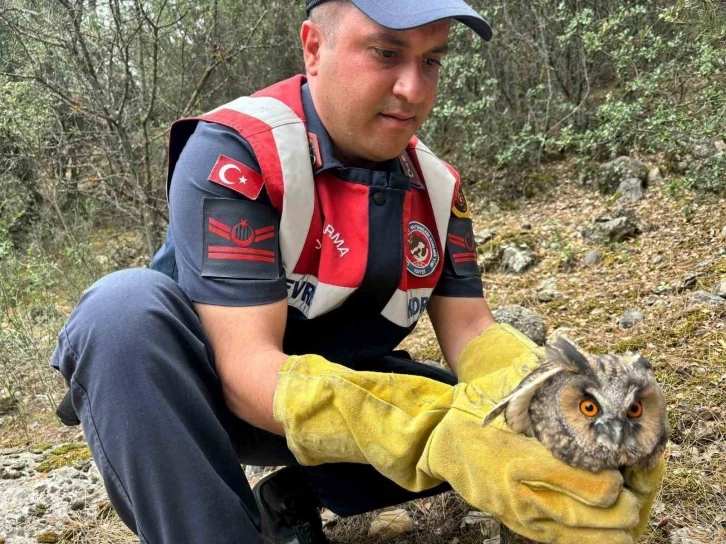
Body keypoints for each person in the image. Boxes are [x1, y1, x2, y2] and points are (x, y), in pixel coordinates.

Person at [50, 1, 665, 543]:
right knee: (120, 312)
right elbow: (245, 369)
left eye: (432, 61)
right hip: (203, 392)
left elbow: (475, 334)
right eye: (386, 53)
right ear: (314, 48)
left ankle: (294, 498)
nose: (413, 87)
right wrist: (431, 433)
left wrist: (553, 412)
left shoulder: (438, 186)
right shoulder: (239, 151)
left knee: (484, 426)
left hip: (338, 387)